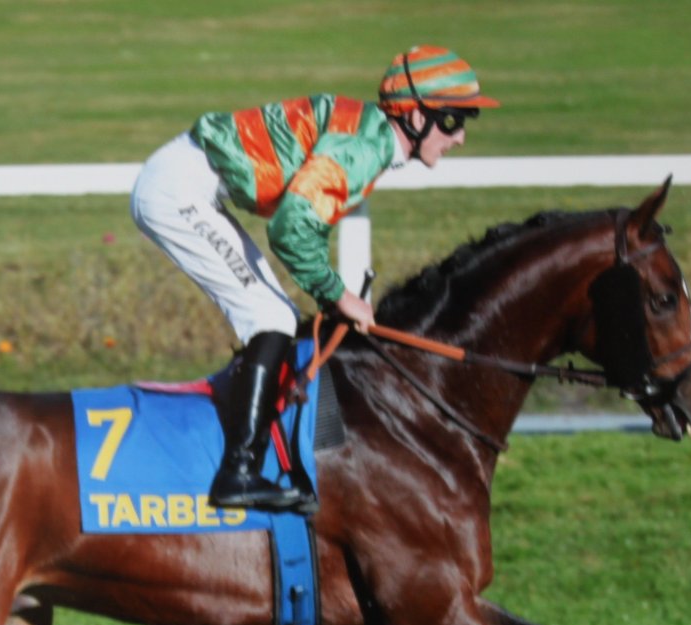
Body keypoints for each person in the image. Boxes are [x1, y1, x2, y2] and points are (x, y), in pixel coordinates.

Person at [131, 45, 499, 513]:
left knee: (278, 314)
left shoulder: (369, 138)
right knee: (269, 317)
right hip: (177, 191)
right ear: (414, 116)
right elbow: (291, 229)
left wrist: (332, 294)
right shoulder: (363, 148)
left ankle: (252, 448)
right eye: (451, 121)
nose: (460, 136)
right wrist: (337, 294)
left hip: (190, 181)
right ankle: (237, 473)